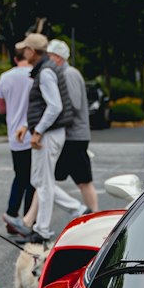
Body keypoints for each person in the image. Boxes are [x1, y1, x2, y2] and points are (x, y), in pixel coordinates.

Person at [5, 31, 77, 244]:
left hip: (49, 134)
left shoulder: (45, 72)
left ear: (32, 51)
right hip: (50, 132)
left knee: (43, 184)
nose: (22, 51)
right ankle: (77, 209)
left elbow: (55, 106)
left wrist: (37, 131)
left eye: (25, 48)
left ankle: (42, 230)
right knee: (39, 181)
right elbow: (48, 106)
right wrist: (29, 126)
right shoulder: (45, 69)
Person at [47, 38, 98, 213]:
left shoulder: (68, 74)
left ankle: (90, 213)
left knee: (47, 180)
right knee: (81, 180)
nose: (48, 60)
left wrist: (53, 112)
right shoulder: (67, 73)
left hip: (73, 136)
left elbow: (74, 104)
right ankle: (92, 213)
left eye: (50, 56)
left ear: (59, 57)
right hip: (74, 136)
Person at [0, 48, 35, 232]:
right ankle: (28, 219)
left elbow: (1, 108)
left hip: (15, 136)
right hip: (34, 134)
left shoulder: (5, 77)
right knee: (33, 180)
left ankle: (12, 214)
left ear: (14, 58)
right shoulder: (37, 75)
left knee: (20, 176)